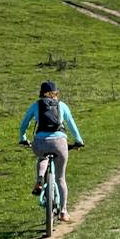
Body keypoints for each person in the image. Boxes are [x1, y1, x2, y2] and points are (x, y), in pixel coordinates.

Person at [19, 81, 84, 222]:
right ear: (56, 93)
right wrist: (79, 141)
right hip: (59, 143)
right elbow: (71, 124)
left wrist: (23, 138)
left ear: (41, 93)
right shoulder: (62, 105)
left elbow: (24, 123)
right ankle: (64, 211)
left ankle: (39, 179)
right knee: (60, 178)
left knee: (42, 158)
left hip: (40, 143)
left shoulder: (36, 105)